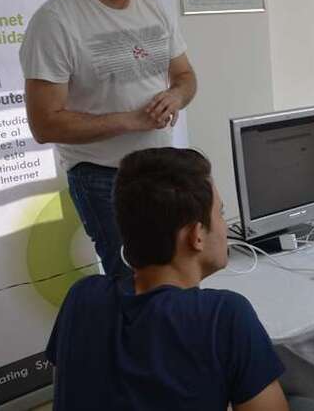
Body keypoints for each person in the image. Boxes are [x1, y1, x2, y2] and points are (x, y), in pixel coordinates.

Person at [19, 0, 197, 279]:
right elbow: (44, 125)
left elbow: (185, 76)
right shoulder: (56, 22)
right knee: (133, 286)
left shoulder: (154, 11)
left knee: (173, 277)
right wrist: (132, 120)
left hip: (159, 169)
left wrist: (176, 96)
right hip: (102, 179)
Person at [46, 148, 289, 411]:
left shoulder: (81, 296)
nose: (226, 226)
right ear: (196, 235)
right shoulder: (225, 315)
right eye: (220, 212)